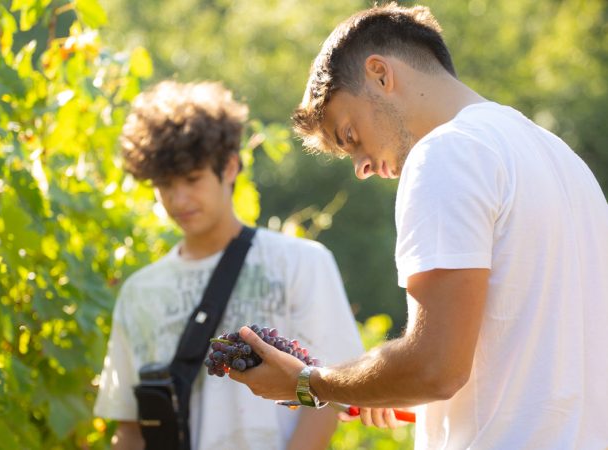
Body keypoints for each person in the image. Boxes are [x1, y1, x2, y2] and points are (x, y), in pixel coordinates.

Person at [229, 3, 608, 449]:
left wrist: (309, 383)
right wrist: (386, 381)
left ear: (380, 75)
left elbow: (437, 368)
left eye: (350, 136)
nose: (362, 167)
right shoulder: (563, 161)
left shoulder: (446, 153)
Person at [93, 80, 364, 450]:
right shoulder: (139, 292)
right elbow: (132, 428)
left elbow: (327, 400)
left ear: (231, 167)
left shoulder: (301, 263)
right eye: (165, 184)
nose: (179, 198)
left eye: (192, 179)